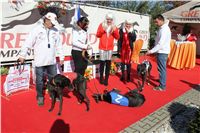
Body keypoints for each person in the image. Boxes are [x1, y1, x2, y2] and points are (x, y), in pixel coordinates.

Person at [18, 12, 64, 105]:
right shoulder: (36, 30)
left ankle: (53, 95)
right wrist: (22, 55)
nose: (53, 24)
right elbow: (27, 43)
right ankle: (40, 96)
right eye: (52, 22)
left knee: (53, 80)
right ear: (46, 20)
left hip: (51, 61)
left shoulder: (55, 31)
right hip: (39, 61)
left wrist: (61, 57)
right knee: (39, 81)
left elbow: (59, 45)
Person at [146, 14, 171, 91]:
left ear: (161, 20)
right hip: (161, 51)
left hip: (162, 51)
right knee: (161, 68)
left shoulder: (164, 29)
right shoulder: (162, 28)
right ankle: (161, 81)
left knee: (161, 69)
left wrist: (151, 51)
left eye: (156, 22)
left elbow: (160, 43)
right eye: (155, 22)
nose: (156, 24)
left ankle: (162, 86)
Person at [96, 12, 120, 86]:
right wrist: (103, 30)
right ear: (106, 19)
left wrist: (115, 30)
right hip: (102, 47)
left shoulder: (114, 26)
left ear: (112, 20)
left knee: (108, 63)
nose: (109, 21)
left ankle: (106, 79)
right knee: (102, 63)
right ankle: (101, 78)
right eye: (108, 19)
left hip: (109, 48)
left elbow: (117, 37)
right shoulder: (102, 25)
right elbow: (97, 35)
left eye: (110, 19)